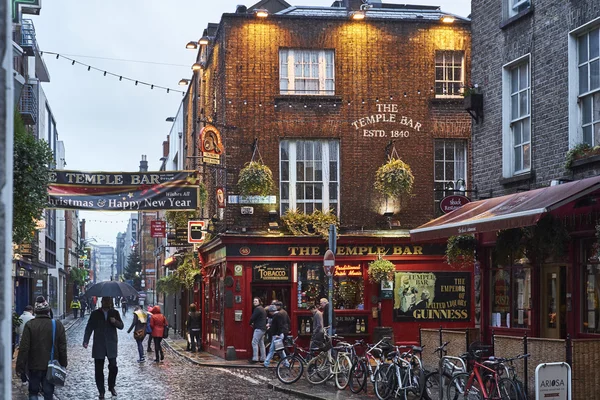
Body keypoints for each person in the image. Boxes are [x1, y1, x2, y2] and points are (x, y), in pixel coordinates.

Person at [16, 296, 67, 400]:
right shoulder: (57, 325)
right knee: (48, 393)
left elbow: (24, 348)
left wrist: (20, 367)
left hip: (33, 365)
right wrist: (63, 364)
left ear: (35, 311)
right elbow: (62, 347)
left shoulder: (30, 325)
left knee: (33, 392)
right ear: (48, 311)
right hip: (51, 365)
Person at [83, 297, 124, 399]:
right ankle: (101, 391)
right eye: (105, 301)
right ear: (102, 302)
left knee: (113, 367)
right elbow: (89, 327)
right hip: (99, 344)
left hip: (111, 344)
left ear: (111, 302)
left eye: (108, 301)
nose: (107, 303)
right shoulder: (95, 313)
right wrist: (86, 341)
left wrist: (115, 322)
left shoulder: (114, 313)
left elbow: (121, 326)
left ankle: (111, 386)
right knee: (98, 369)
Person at [249, 297, 267, 364]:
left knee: (254, 342)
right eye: (254, 301)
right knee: (261, 343)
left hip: (259, 328)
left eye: (256, 301)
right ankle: (263, 358)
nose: (254, 302)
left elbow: (253, 317)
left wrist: (250, 323)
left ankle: (255, 358)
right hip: (263, 328)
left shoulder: (257, 309)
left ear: (259, 302)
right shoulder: (262, 309)